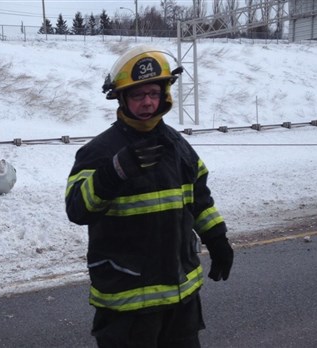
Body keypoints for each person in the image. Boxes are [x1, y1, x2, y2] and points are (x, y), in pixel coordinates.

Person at [65, 46, 234, 347]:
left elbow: (199, 199)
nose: (147, 102)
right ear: (121, 98)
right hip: (128, 304)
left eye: (154, 93)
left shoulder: (178, 146)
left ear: (165, 95)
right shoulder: (98, 151)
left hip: (181, 300)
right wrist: (113, 172)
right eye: (138, 95)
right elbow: (77, 209)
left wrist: (217, 238)